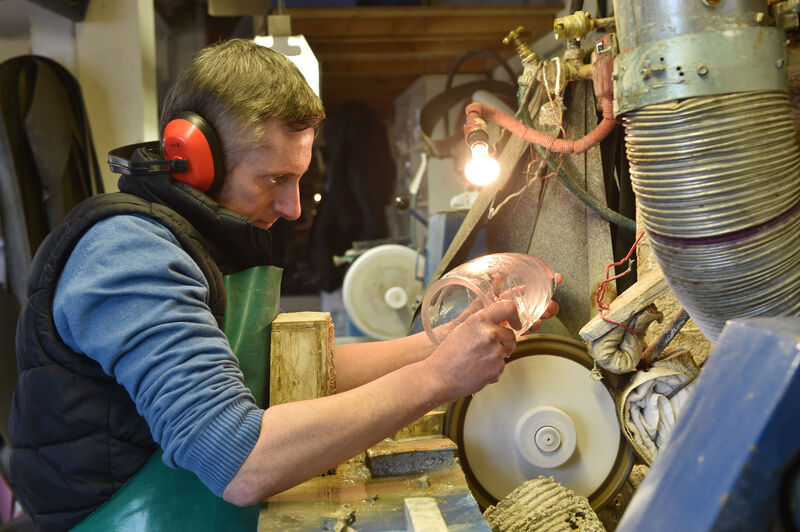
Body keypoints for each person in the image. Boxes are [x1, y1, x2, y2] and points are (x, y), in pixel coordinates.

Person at [8, 39, 559, 531]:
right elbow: (239, 461)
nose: (292, 207)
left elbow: (281, 369)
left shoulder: (214, 241)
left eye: (298, 177)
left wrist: (447, 338)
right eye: (274, 179)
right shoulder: (128, 256)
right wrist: (438, 378)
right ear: (192, 159)